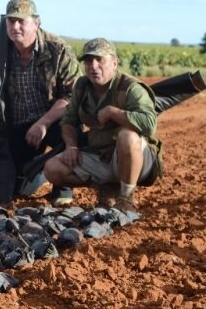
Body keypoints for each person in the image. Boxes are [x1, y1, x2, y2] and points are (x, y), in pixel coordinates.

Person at [43, 38, 162, 213]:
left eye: (100, 60)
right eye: (89, 61)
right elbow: (68, 121)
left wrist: (115, 113)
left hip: (137, 158)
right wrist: (72, 145)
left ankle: (126, 197)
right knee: (52, 168)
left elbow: (149, 124)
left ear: (114, 63)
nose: (93, 66)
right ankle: (108, 188)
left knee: (127, 136)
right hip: (101, 156)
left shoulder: (130, 87)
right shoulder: (82, 86)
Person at [0, 0, 80, 206]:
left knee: (70, 130)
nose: (15, 26)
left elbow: (72, 95)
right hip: (17, 128)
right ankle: (36, 170)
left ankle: (62, 185)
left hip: (51, 122)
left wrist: (43, 123)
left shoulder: (58, 50)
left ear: (36, 22)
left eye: (21, 21)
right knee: (5, 192)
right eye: (11, 21)